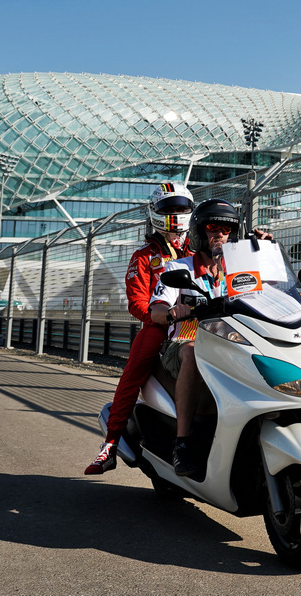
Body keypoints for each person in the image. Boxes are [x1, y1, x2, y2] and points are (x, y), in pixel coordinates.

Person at [84, 182, 195, 475]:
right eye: (169, 209)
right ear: (156, 214)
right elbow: (137, 303)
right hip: (160, 326)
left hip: (205, 322)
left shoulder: (203, 250)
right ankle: (109, 445)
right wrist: (163, 317)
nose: (175, 214)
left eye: (180, 208)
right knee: (132, 375)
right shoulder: (144, 256)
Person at [148, 198, 244, 477]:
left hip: (231, 342)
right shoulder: (178, 268)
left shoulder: (241, 270)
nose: (221, 234)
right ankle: (183, 444)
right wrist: (171, 312)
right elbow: (156, 310)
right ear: (199, 233)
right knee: (192, 351)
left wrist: (264, 249)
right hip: (183, 343)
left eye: (227, 229)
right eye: (214, 227)